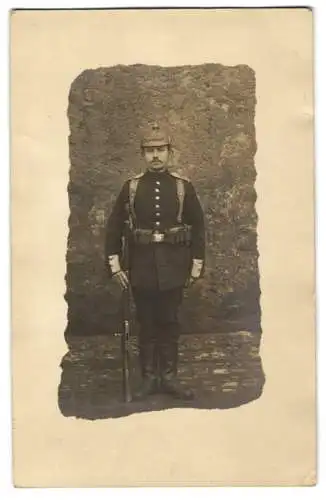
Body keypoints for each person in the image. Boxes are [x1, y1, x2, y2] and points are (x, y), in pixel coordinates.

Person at [105, 122, 205, 401]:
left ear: (170, 152)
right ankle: (149, 378)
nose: (156, 156)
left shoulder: (183, 187)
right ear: (143, 155)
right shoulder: (132, 188)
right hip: (142, 268)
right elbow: (113, 228)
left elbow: (198, 227)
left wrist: (196, 264)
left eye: (161, 149)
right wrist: (115, 266)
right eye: (150, 151)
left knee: (170, 322)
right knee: (146, 323)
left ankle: (170, 377)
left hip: (175, 267)